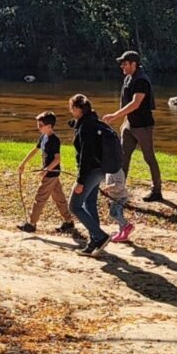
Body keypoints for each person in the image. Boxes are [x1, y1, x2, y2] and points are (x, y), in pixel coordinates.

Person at [103, 51, 163, 202]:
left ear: (133, 64)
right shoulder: (128, 78)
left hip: (143, 126)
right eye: (121, 63)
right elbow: (127, 103)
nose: (122, 65)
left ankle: (156, 191)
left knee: (149, 158)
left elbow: (136, 103)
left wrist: (115, 116)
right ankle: (119, 190)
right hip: (129, 124)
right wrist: (124, 121)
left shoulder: (141, 80)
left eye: (125, 63)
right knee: (122, 157)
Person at [17, 110, 77, 235]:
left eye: (41, 125)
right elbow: (35, 150)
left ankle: (31, 224)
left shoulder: (54, 140)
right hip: (51, 174)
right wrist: (23, 163)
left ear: (49, 126)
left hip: (51, 174)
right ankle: (68, 221)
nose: (38, 127)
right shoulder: (43, 137)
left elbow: (57, 159)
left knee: (40, 198)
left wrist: (46, 170)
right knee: (59, 198)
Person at [67, 93, 112, 257]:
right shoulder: (92, 121)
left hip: (91, 171)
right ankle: (94, 242)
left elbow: (86, 155)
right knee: (89, 203)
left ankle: (100, 236)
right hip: (101, 169)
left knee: (74, 205)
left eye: (72, 108)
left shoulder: (86, 127)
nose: (71, 111)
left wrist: (80, 181)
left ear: (78, 109)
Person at [101, 168, 134, 243]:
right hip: (115, 197)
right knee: (119, 215)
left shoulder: (117, 170)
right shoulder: (109, 170)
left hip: (120, 197)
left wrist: (107, 188)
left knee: (113, 214)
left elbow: (120, 185)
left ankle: (127, 226)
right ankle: (123, 234)